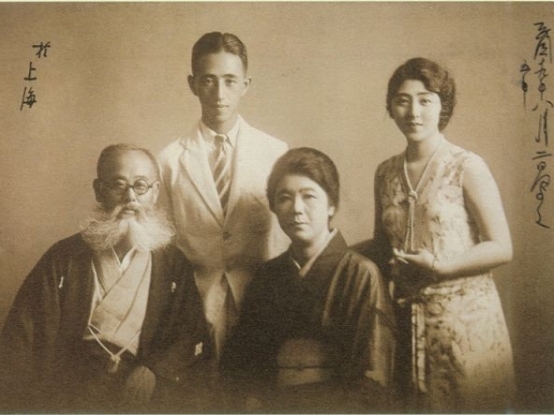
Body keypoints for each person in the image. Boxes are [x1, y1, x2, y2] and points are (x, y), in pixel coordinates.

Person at [0, 144, 210, 413]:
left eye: (141, 186)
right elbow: (22, 336)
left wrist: (155, 370)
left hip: (140, 394)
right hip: (69, 393)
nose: (130, 197)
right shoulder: (64, 257)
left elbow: (189, 334)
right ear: (99, 190)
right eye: (118, 185)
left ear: (155, 192)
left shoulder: (173, 264)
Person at [373, 57, 516, 412]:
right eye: (402, 101)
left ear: (443, 106)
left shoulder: (466, 166)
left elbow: (501, 246)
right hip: (408, 327)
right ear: (391, 107)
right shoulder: (385, 172)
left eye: (425, 100)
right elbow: (382, 246)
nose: (413, 112)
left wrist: (441, 267)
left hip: (467, 327)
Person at [222, 147, 396, 413]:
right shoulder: (268, 276)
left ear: (331, 205)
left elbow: (373, 373)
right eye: (284, 198)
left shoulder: (360, 273)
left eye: (309, 196)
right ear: (274, 207)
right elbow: (244, 366)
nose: (296, 209)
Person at [158, 31, 289, 363]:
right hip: (193, 307)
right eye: (208, 81)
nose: (219, 94)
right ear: (192, 84)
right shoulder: (169, 161)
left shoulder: (275, 153)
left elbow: (286, 238)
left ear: (246, 84)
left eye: (230, 81)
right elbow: (164, 247)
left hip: (262, 301)